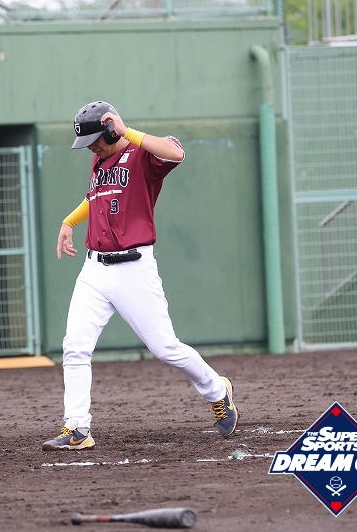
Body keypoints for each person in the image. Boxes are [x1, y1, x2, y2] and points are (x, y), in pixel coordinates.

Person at [42, 101, 239, 451]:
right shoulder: (99, 159)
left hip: (134, 267)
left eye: (94, 140)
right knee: (75, 347)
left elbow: (176, 153)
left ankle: (216, 390)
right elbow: (97, 196)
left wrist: (127, 130)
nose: (90, 148)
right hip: (94, 268)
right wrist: (70, 221)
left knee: (165, 349)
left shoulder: (141, 153)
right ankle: (77, 428)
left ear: (111, 131)